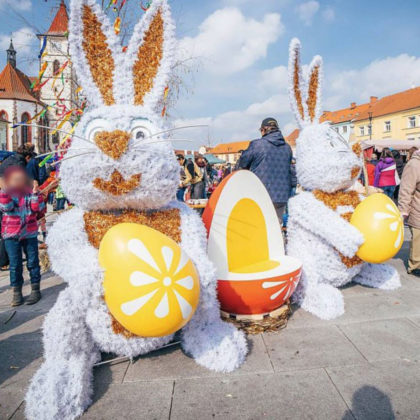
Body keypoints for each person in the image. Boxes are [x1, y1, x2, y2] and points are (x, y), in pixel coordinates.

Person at [0, 166, 45, 306]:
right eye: (15, 179)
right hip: (11, 234)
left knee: (32, 262)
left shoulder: (29, 192)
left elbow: (38, 208)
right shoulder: (6, 193)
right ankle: (17, 293)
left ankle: (35, 290)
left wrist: (35, 193)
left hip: (29, 233)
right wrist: (4, 190)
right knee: (15, 265)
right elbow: (6, 208)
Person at [238, 117, 292, 221]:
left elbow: (243, 162)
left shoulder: (257, 144)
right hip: (282, 196)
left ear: (264, 130)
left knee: (259, 228)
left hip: (261, 194)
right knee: (276, 228)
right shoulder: (287, 147)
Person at [399, 149, 420, 275]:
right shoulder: (414, 164)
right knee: (418, 239)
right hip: (417, 208)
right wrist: (403, 210)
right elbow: (406, 189)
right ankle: (415, 266)